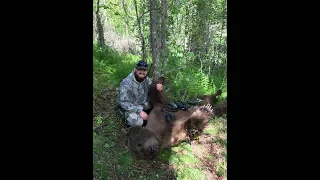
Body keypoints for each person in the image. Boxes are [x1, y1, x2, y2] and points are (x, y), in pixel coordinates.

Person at [117, 60, 163, 127]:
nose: (142, 72)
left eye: (144, 70)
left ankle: (149, 120)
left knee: (159, 109)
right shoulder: (126, 83)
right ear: (135, 69)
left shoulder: (146, 79)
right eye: (140, 69)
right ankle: (144, 125)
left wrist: (159, 87)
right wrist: (139, 111)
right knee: (135, 121)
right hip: (130, 109)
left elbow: (152, 86)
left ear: (146, 72)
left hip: (143, 105)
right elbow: (123, 103)